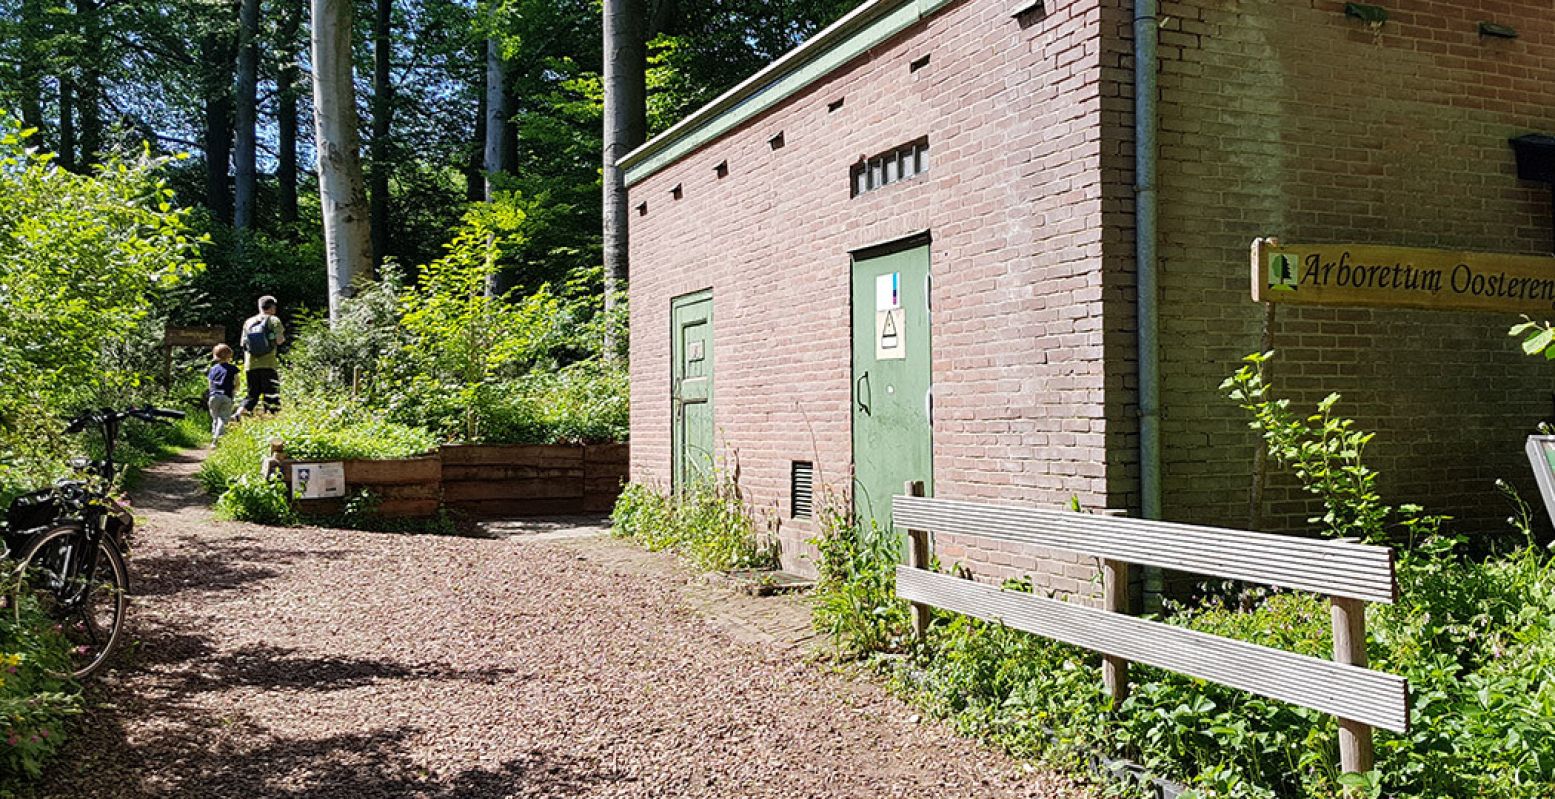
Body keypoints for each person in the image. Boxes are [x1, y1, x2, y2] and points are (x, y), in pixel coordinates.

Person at [239, 295, 286, 416]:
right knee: (271, 394)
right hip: (268, 364)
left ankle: (238, 414)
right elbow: (280, 340)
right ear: (272, 307)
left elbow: (243, 344)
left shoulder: (248, 322)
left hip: (251, 365)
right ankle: (271, 419)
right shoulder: (273, 320)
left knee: (252, 395)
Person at [206, 344, 239, 445]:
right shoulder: (233, 369)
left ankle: (214, 437)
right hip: (226, 396)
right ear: (229, 356)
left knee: (215, 417)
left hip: (213, 396)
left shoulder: (213, 369)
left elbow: (210, 383)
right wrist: (235, 391)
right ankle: (217, 438)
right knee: (223, 418)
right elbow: (237, 382)